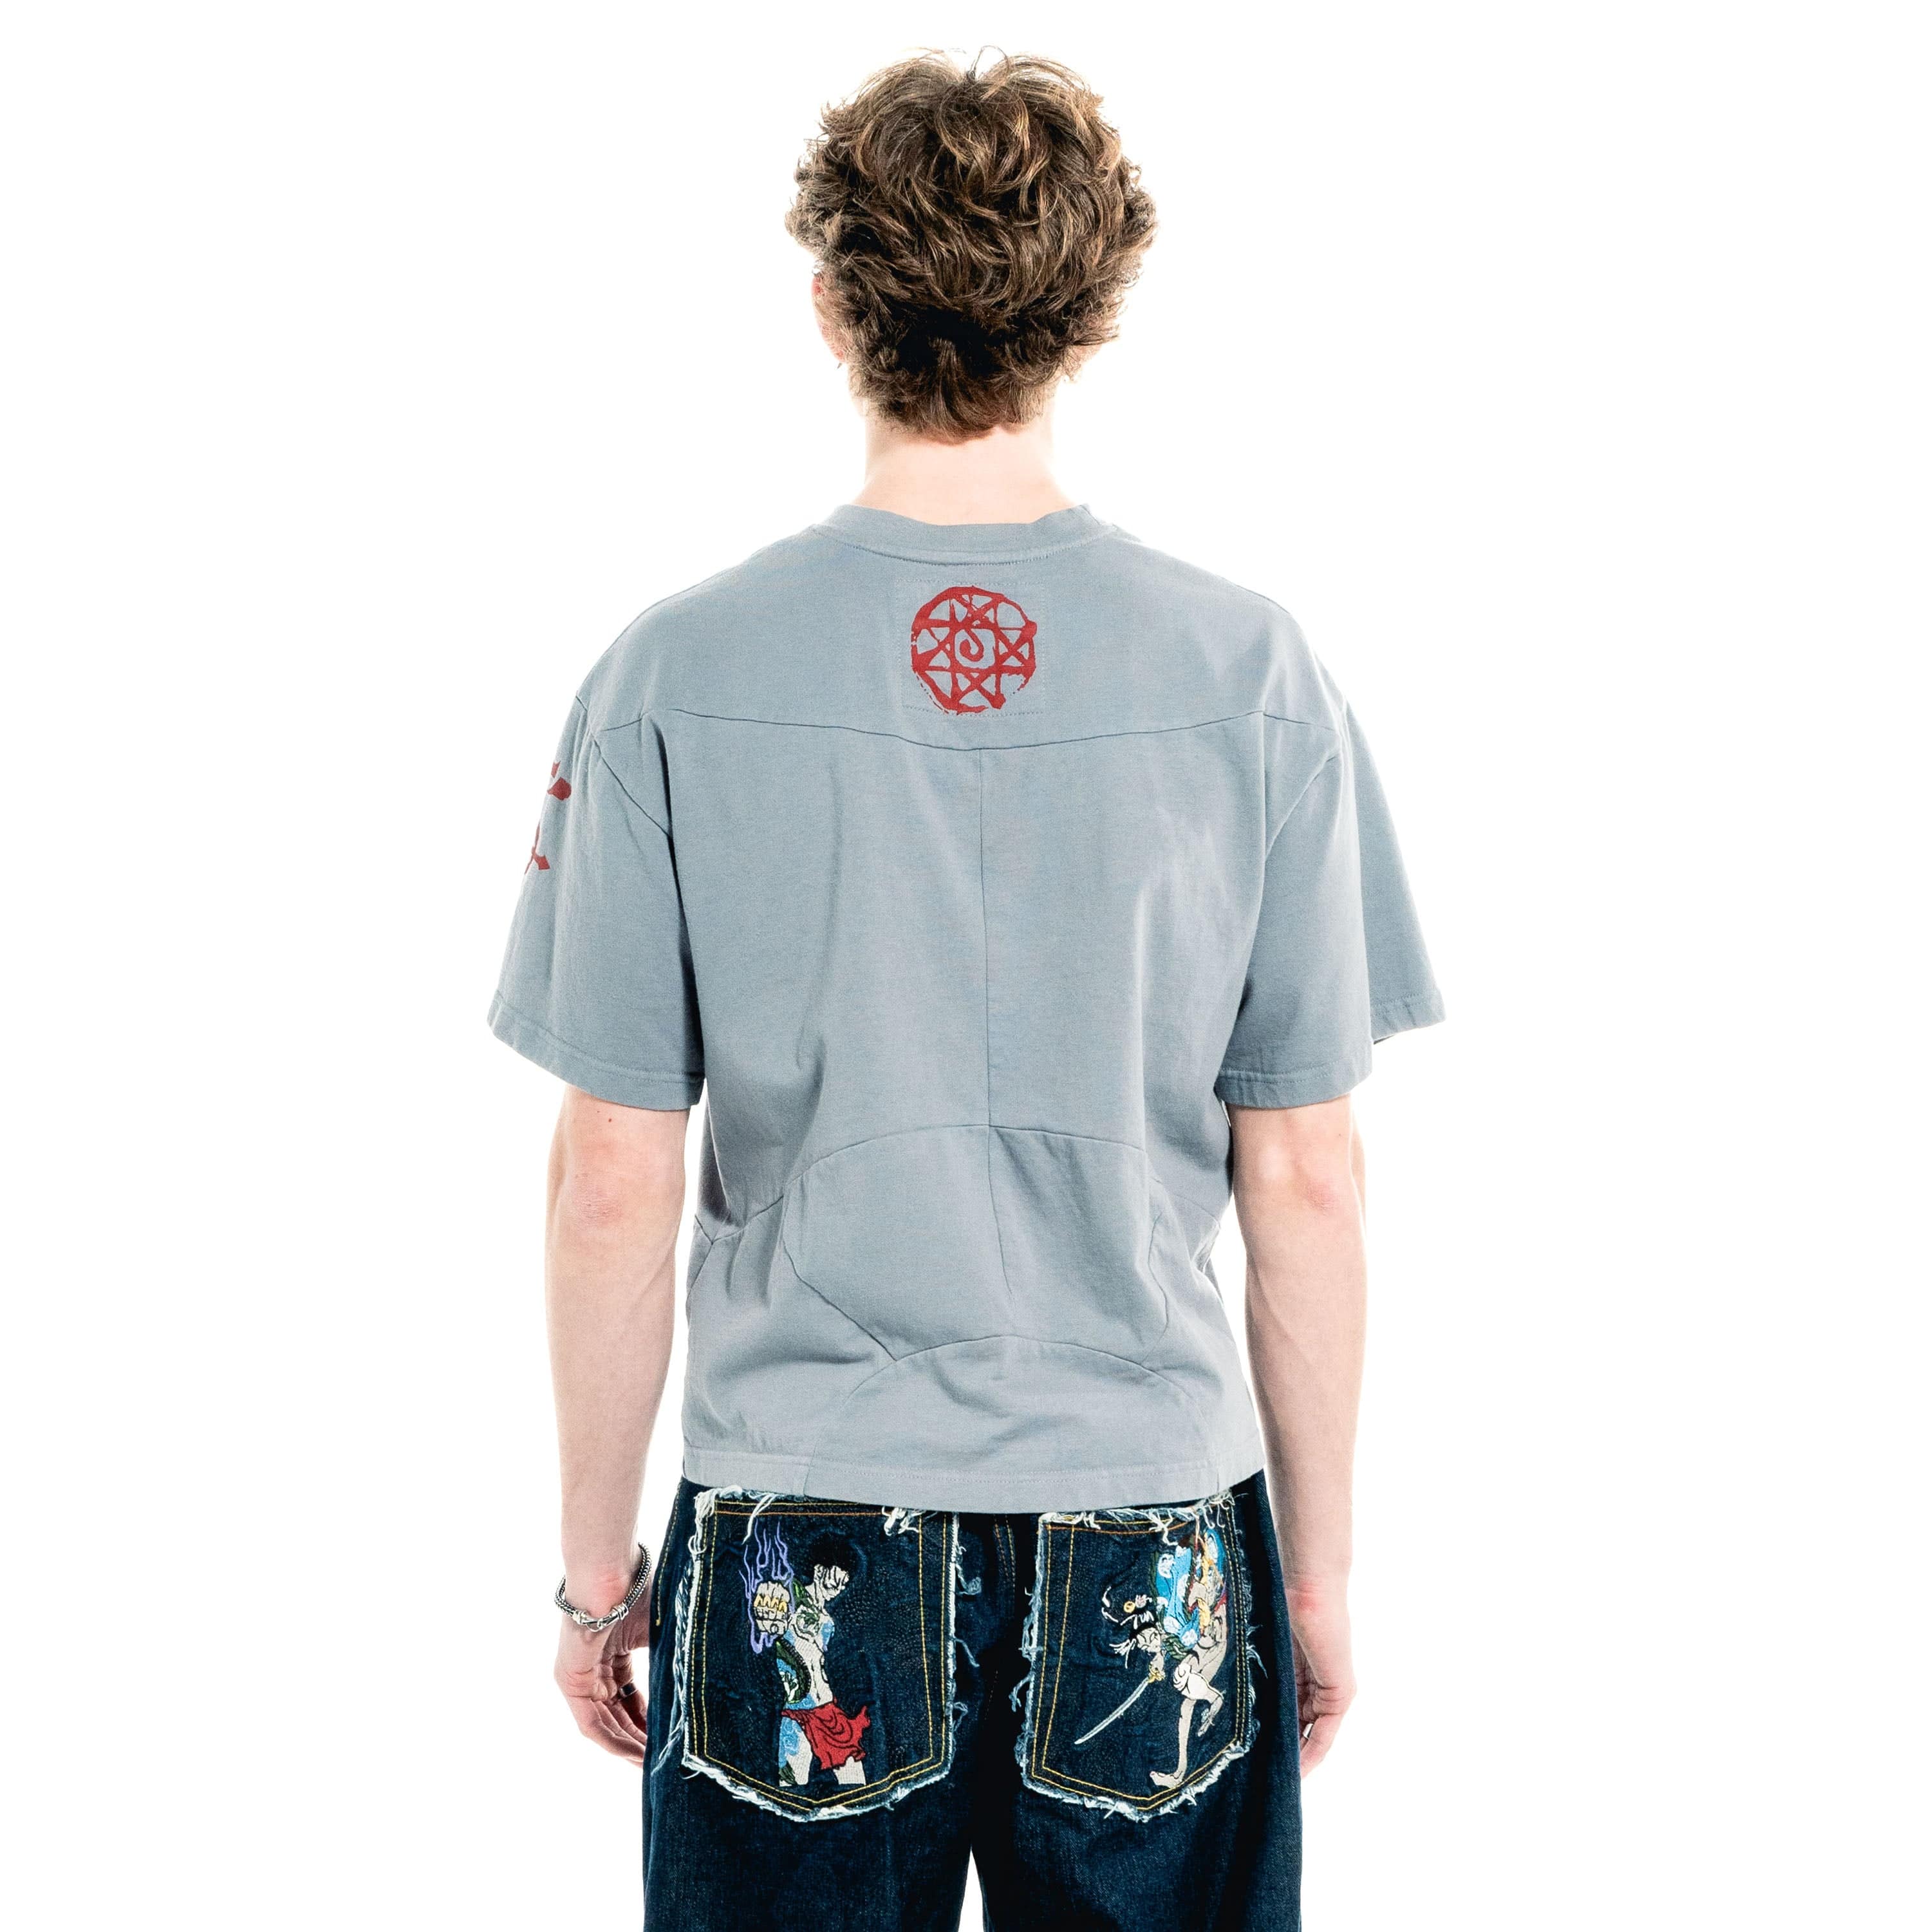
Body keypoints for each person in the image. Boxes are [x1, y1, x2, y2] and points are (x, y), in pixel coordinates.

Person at [488, 50, 1441, 1931]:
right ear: (1092, 310)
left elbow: (612, 1176)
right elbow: (1310, 1175)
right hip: (1151, 1532)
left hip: (799, 1533)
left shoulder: (671, 677)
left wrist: (599, 1582)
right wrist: (1317, 1583)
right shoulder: (1255, 677)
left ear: (832, 304)